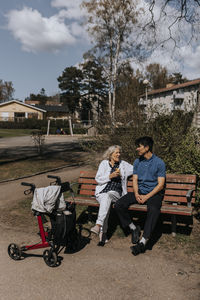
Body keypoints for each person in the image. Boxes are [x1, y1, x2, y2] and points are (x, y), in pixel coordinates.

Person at [114, 136, 166, 256]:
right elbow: (135, 180)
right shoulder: (137, 162)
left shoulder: (159, 163)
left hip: (153, 194)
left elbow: (160, 185)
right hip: (139, 192)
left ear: (147, 148)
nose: (137, 149)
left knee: (153, 210)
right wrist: (136, 194)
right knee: (118, 205)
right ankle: (133, 228)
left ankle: (143, 242)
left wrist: (147, 197)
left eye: (139, 146)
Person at [90, 145, 133, 246]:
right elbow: (98, 179)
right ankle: (103, 233)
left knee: (108, 196)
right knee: (106, 200)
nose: (119, 154)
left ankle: (98, 225)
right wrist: (110, 176)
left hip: (116, 193)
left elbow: (136, 169)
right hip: (102, 192)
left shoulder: (123, 165)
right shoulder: (104, 164)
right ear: (110, 154)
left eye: (119, 153)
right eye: (116, 153)